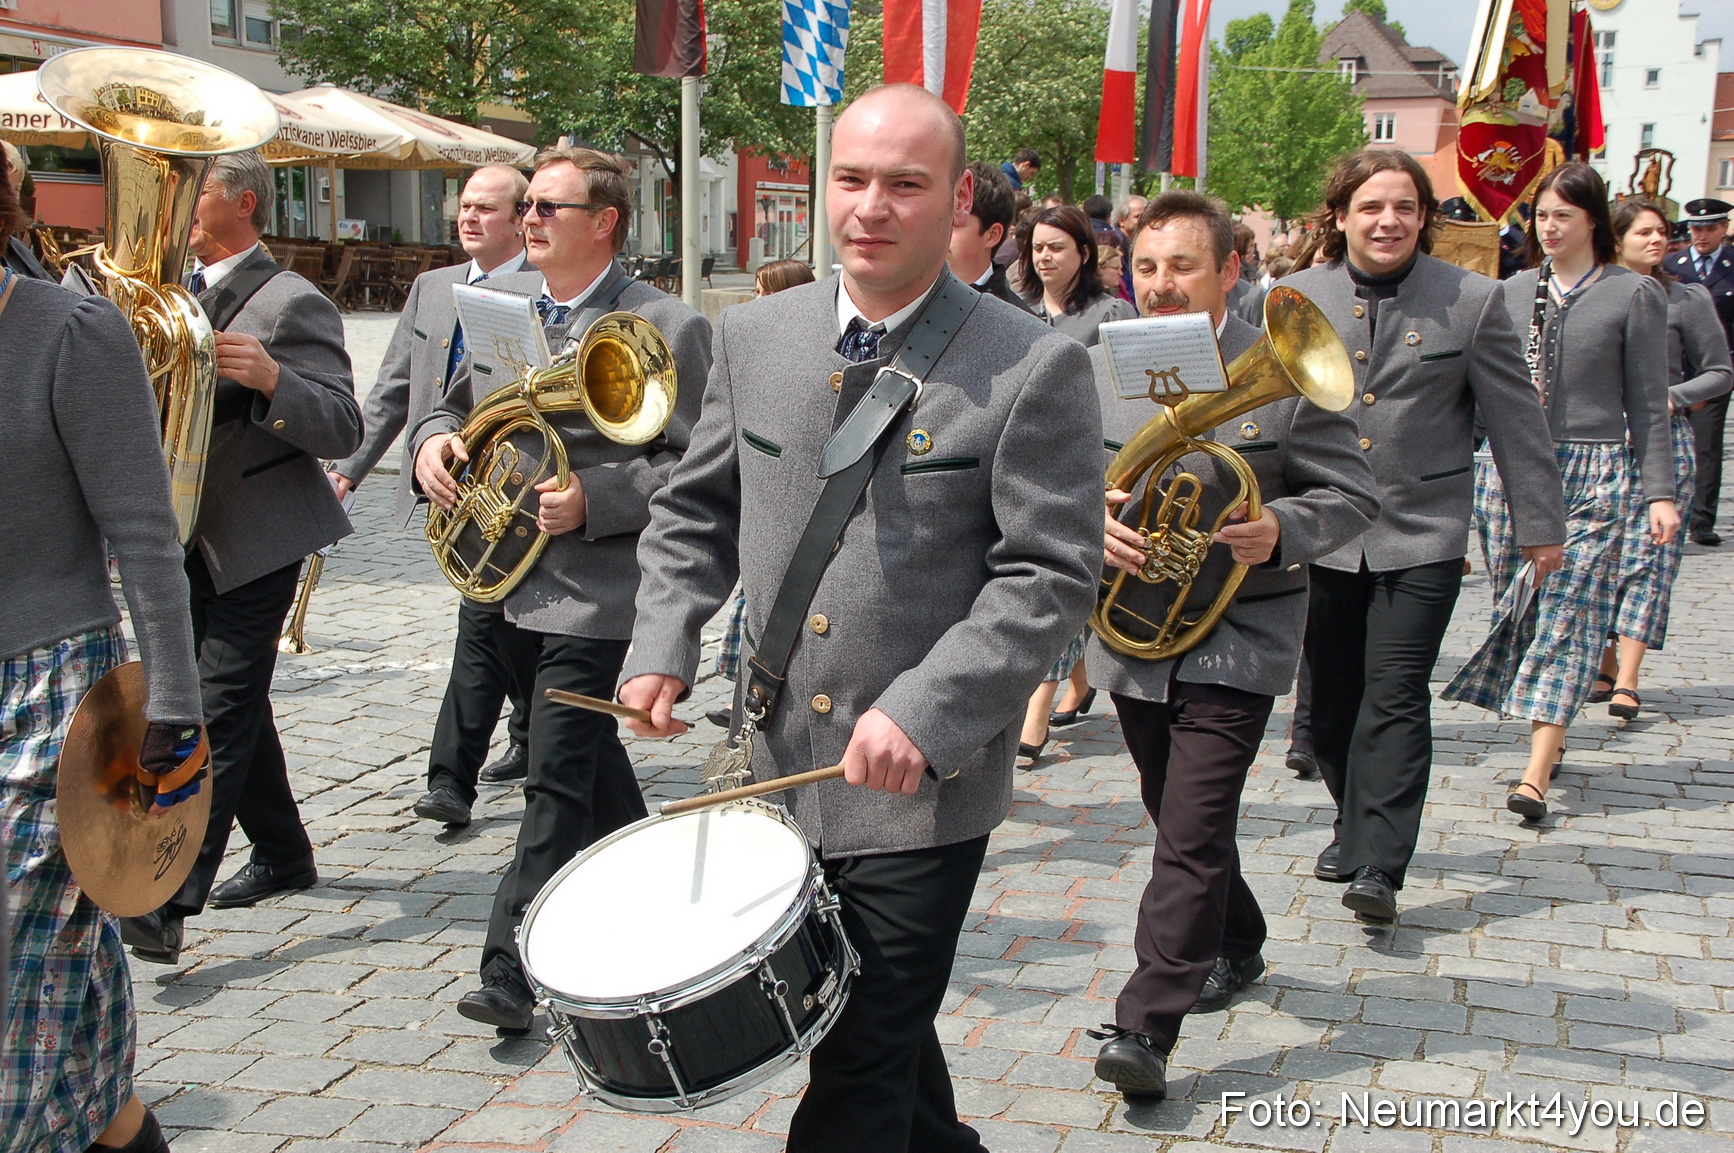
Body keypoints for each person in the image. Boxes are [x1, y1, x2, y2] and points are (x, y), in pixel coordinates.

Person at [619, 83, 1102, 1153]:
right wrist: (663, 644)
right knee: (870, 1024)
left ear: (958, 196)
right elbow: (694, 511)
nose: (870, 207)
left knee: (855, 1073)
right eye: (850, 179)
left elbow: (1050, 575)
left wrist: (929, 709)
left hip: (919, 791)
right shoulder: (750, 337)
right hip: (775, 763)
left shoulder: (1031, 361)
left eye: (904, 184)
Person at [1085, 191, 1379, 1101]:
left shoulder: (1283, 366)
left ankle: (1146, 1023)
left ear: (1228, 270)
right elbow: (1045, 481)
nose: (1161, 284)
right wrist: (1086, 519)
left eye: (1182, 266)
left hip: (1241, 630)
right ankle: (1237, 937)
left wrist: (1280, 526)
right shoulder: (1089, 364)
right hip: (1132, 627)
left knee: (1195, 818)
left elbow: (1355, 495)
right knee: (1171, 804)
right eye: (1146, 266)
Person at [411, 146, 711, 1031]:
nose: (528, 219)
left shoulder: (669, 323)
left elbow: (696, 469)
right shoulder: (501, 304)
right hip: (499, 575)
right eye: (527, 205)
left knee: (551, 773)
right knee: (584, 763)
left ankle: (509, 966)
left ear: (604, 222)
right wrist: (434, 441)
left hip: (596, 589)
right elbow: (451, 402)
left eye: (548, 206)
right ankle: (673, 897)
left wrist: (598, 498)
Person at [1283, 149, 1566, 921]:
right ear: (1339, 217)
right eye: (1371, 207)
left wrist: (1542, 525)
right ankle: (1351, 817)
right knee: (1333, 698)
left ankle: (1380, 859)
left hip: (1425, 531)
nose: (1388, 221)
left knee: (1398, 691)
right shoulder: (1291, 299)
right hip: (1321, 531)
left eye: (1404, 206)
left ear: (1424, 218)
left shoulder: (1472, 300)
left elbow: (1517, 420)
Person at [1, 145, 204, 1153]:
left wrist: (174, 699)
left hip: (45, 700)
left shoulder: (70, 332)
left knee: (18, 971)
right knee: (58, 1005)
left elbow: (145, 533)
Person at [120, 151, 362, 966]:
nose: (183, 205)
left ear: (244, 203)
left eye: (199, 191)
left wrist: (272, 379)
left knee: (215, 704)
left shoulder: (295, 299)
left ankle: (168, 894)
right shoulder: (167, 291)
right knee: (238, 699)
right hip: (183, 532)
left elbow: (343, 425)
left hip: (261, 534)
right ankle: (286, 850)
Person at [1444, 163, 1674, 822]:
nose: (1549, 227)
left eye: (1562, 217)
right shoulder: (1511, 292)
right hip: (1510, 468)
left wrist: (1659, 491)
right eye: (1541, 215)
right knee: (1525, 609)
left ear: (1593, 221)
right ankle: (1556, 713)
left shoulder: (1632, 295)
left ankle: (1537, 770)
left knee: (1572, 608)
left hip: (1594, 466)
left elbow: (1649, 404)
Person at [330, 166, 539, 813]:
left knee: (488, 623)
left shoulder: (546, 288)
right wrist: (348, 469)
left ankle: (453, 775)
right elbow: (395, 386)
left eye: (485, 207)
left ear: (520, 217)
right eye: (463, 206)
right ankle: (531, 733)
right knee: (503, 626)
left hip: (517, 491)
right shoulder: (431, 286)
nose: (468, 217)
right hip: (445, 483)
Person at [1595, 200, 1732, 718]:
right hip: (1599, 443)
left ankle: (1628, 676)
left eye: (1663, 233)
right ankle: (1604, 664)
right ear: (1616, 236)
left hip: (1662, 438)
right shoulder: (1588, 295)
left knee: (1649, 559)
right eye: (1644, 232)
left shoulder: (1685, 298)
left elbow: (1720, 370)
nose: (1658, 240)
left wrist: (1670, 396)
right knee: (1600, 558)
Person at [708, 256, 819, 728]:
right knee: (753, 621)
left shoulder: (809, 343)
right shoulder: (746, 339)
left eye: (767, 291)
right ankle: (747, 695)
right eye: (755, 290)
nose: (760, 300)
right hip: (763, 535)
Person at [1666, 198, 1734, 546]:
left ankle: (1702, 519)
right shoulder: (1669, 266)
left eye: (1710, 228)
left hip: (1713, 370)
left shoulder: (1731, 265)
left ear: (1724, 229)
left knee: (1706, 446)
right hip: (1673, 371)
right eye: (1696, 229)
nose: (1702, 235)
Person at [1020, 204, 1136, 344]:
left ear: (1085, 254)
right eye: (1038, 248)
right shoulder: (1016, 309)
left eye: (1056, 248)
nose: (1044, 256)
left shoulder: (1110, 314)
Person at [948, 160, 1032, 311]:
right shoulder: (903, 301)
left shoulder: (1020, 324)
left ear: (992, 235)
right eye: (938, 221)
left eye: (955, 223)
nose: (941, 233)